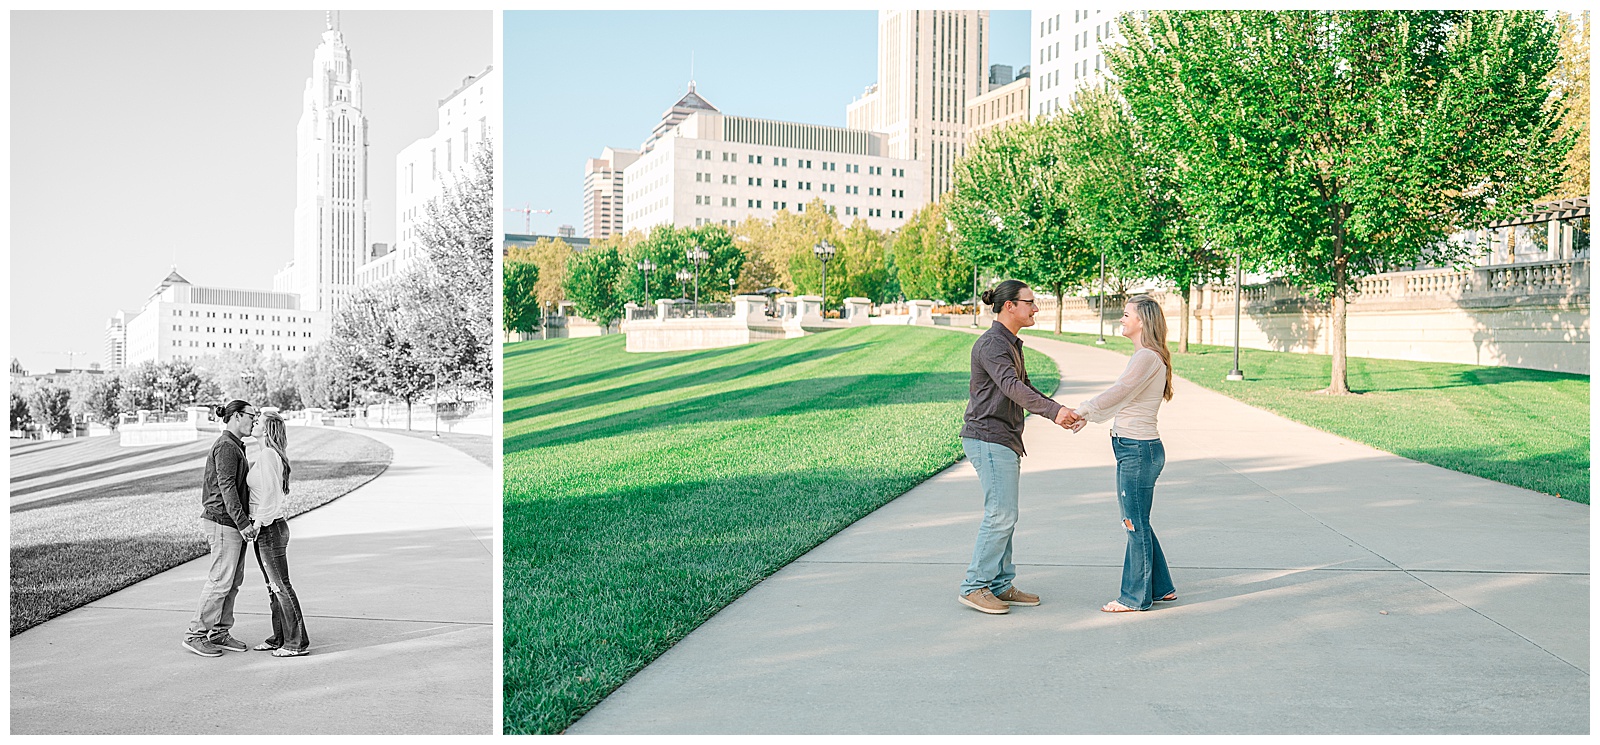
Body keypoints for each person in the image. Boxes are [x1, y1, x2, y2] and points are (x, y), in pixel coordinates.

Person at [958, 279, 1082, 615]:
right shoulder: (992, 345)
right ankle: (974, 586)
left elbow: (1025, 385)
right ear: (1009, 306)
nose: (1036, 308)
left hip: (1003, 438)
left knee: (1006, 515)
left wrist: (1060, 410)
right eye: (1030, 302)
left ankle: (999, 584)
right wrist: (1054, 412)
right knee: (1000, 514)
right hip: (988, 436)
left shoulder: (1009, 343)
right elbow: (1012, 387)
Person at [1064, 295, 1178, 612]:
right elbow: (1124, 399)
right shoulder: (1147, 357)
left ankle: (1134, 597)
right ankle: (1162, 588)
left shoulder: (1146, 357)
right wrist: (1088, 417)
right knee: (1138, 521)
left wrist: (1083, 410)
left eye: (1126, 315)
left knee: (1133, 523)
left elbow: (1119, 392)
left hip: (1137, 450)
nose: (1121, 319)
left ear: (1142, 320)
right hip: (1137, 448)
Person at [183, 400, 258, 657]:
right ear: (236, 416)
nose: (254, 421)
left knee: (232, 581)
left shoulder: (235, 445)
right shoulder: (226, 446)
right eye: (251, 416)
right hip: (223, 521)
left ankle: (219, 631)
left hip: (231, 522)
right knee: (220, 580)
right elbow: (227, 488)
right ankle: (195, 634)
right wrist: (243, 523)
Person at [245, 409, 310, 657]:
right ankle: (279, 637)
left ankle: (296, 643)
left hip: (269, 528)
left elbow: (271, 496)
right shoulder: (266, 455)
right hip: (267, 527)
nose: (253, 423)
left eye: (258, 421)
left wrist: (258, 523)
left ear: (267, 429)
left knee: (281, 586)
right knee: (273, 586)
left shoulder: (269, 455)